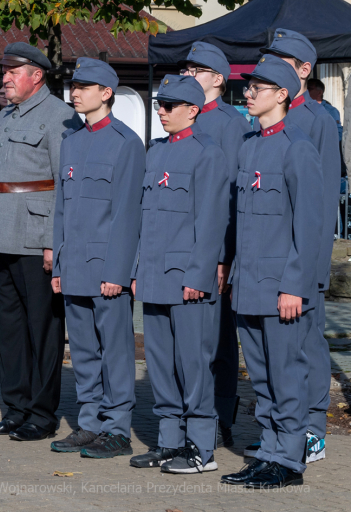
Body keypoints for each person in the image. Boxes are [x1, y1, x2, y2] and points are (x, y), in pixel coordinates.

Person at [219, 56, 322, 490]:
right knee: (262, 378)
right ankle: (268, 451)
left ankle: (289, 460)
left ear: (282, 95)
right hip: (249, 286)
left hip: (283, 287)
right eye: (248, 87)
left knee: (287, 376)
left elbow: (311, 225)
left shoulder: (297, 147)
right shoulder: (249, 144)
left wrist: (295, 285)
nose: (247, 93)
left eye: (257, 88)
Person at [0, 43, 80, 440]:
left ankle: (42, 413)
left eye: (13, 71)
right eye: (5, 71)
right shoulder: (6, 116)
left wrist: (55, 241)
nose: (6, 78)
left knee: (43, 330)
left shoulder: (60, 117)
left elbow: (64, 185)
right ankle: (15, 407)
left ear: (37, 75)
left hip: (35, 239)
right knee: (9, 330)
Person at [129, 75, 229, 474]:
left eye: (170, 106)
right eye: (160, 105)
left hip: (188, 279)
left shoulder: (208, 154)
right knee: (161, 364)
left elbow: (211, 222)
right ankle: (170, 442)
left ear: (194, 110)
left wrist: (198, 276)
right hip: (154, 276)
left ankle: (201, 447)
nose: (162, 112)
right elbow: (142, 219)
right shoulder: (154, 153)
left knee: (194, 365)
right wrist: (137, 269)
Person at [50, 57, 143, 458]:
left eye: (85, 86)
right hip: (74, 267)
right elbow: (61, 209)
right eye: (74, 85)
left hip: (107, 269)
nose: (75, 92)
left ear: (106, 93)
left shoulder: (126, 144)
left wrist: (118, 272)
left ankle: (118, 428)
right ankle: (89, 423)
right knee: (84, 351)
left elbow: (128, 214)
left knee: (116, 352)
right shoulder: (71, 141)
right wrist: (57, 264)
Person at [258, 30, 338, 464]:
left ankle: (312, 430)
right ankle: (281, 432)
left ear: (304, 72)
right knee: (279, 353)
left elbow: (321, 204)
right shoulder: (266, 121)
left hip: (304, 263)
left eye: (282, 61)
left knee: (307, 347)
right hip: (271, 261)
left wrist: (314, 269)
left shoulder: (317, 121)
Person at [178, 42, 252, 448]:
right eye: (186, 67)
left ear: (219, 79)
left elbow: (230, 197)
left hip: (215, 247)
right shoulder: (180, 118)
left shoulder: (230, 124)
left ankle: (221, 416)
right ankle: (186, 413)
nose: (189, 73)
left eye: (197, 69)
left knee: (219, 339)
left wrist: (224, 256)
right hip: (179, 243)